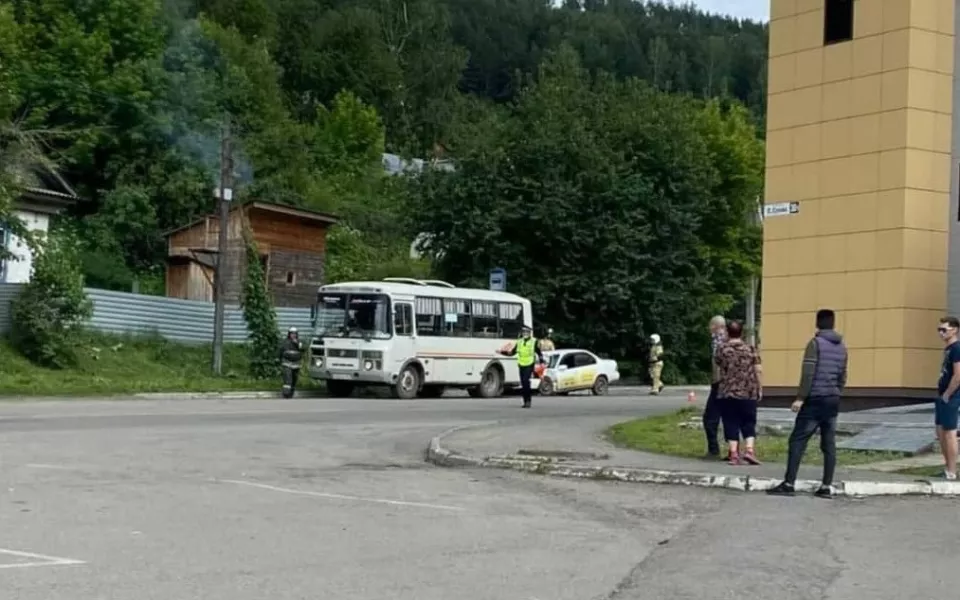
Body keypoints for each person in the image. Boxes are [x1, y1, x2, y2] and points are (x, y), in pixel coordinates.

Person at [768, 309, 848, 498]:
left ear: (817, 323)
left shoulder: (814, 344)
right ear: (833, 323)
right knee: (828, 444)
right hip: (832, 400)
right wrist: (837, 391)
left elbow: (808, 373)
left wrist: (800, 398)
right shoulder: (842, 347)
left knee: (798, 440)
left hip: (814, 400)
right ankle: (826, 486)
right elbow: (843, 375)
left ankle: (789, 483)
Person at [714, 320, 762, 465]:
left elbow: (718, 365)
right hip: (748, 391)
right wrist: (759, 387)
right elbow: (758, 369)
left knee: (730, 421)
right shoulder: (751, 349)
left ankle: (734, 454)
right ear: (742, 332)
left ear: (728, 332)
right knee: (749, 421)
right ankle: (749, 451)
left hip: (727, 391)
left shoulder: (722, 349)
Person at [935, 316, 960, 479]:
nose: (941, 333)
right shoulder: (948, 349)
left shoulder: (957, 348)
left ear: (954, 330)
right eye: (939, 330)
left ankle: (952, 471)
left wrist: (947, 394)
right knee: (940, 431)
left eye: (944, 330)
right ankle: (947, 468)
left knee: (950, 433)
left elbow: (958, 375)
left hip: (952, 396)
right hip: (943, 395)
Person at [498, 325, 545, 408]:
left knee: (526, 381)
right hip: (521, 364)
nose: (525, 333)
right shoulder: (519, 341)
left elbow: (539, 352)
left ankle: (528, 401)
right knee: (523, 383)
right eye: (524, 332)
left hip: (530, 363)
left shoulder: (534, 341)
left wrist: (541, 362)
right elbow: (512, 353)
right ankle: (525, 401)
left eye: (527, 332)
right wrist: (502, 352)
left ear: (529, 333)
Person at [703, 315, 726, 459]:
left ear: (716, 326)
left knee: (710, 418)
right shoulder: (730, 339)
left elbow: (718, 363)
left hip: (720, 384)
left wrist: (716, 380)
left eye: (711, 325)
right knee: (730, 418)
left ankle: (713, 450)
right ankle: (734, 452)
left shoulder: (718, 339)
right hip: (731, 384)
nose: (709, 328)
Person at [278, 327, 304, 398]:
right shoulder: (285, 342)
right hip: (287, 363)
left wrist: (297, 343)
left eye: (295, 333)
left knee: (294, 379)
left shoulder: (299, 342)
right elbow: (281, 351)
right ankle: (286, 394)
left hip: (296, 364)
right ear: (289, 334)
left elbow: (303, 349)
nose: (293, 335)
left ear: (297, 334)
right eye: (292, 333)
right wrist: (280, 360)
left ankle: (291, 393)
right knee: (288, 378)